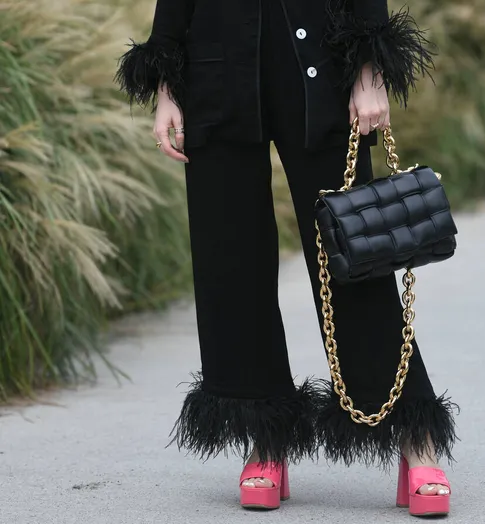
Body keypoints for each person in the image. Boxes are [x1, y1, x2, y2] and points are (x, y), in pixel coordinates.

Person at [116, 0, 458, 517]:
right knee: (231, 265)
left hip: (319, 56)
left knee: (354, 258)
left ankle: (417, 441)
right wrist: (166, 85)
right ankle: (266, 441)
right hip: (215, 66)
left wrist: (370, 70)